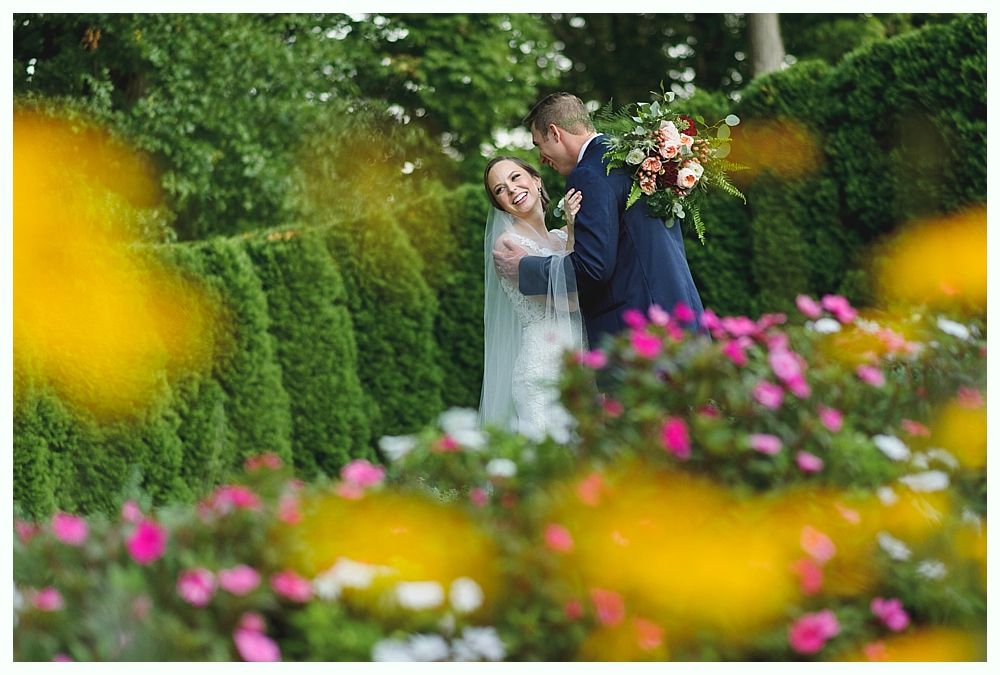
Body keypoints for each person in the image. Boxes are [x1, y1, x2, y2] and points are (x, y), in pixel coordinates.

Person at [493, 92, 705, 351]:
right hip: (681, 313)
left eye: (539, 144)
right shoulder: (635, 158)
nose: (541, 158)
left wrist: (525, 269)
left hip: (641, 334)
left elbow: (592, 268)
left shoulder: (590, 173)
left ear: (555, 133)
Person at [478, 156, 586, 442]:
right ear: (499, 204)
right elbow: (571, 299)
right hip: (543, 366)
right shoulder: (508, 244)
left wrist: (571, 231)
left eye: (515, 178)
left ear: (536, 180)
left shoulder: (561, 237)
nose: (511, 190)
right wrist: (574, 231)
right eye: (500, 189)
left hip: (579, 359)